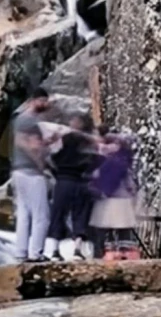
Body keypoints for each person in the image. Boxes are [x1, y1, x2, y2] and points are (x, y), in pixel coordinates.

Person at [49, 112, 100, 259]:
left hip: (64, 179)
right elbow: (96, 160)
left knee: (58, 214)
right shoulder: (90, 142)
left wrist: (54, 170)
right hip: (83, 181)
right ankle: (77, 249)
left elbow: (51, 156)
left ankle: (54, 250)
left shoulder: (63, 138)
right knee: (80, 215)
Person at [9, 92, 54, 260]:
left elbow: (29, 142)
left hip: (18, 170)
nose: (46, 104)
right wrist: (40, 163)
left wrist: (47, 142)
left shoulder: (20, 119)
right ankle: (36, 253)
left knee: (24, 214)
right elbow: (23, 143)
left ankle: (20, 252)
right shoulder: (29, 119)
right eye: (43, 101)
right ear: (34, 100)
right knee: (41, 215)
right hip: (32, 172)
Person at [92, 129, 140, 259]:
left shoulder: (112, 161)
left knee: (105, 228)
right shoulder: (123, 160)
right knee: (121, 228)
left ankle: (103, 252)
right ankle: (123, 253)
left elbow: (108, 179)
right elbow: (130, 185)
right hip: (121, 199)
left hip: (110, 199)